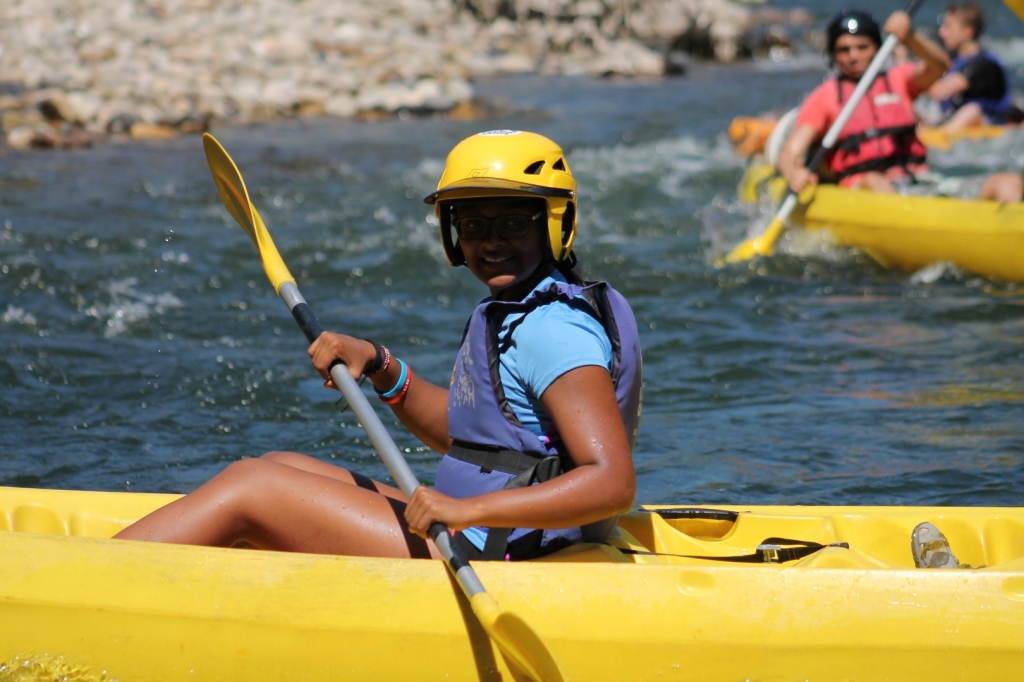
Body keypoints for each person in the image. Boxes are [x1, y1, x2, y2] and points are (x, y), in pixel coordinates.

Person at [114, 130, 644, 562]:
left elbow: (612, 483)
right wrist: (383, 367)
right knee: (278, 463)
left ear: (555, 223)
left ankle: (89, 578)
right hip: (484, 528)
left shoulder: (553, 330)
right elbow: (478, 439)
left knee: (254, 486)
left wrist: (469, 513)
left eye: (512, 221)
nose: (491, 241)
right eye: (473, 223)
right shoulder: (524, 305)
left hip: (497, 550)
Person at [778, 8, 951, 194]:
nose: (853, 56)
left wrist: (910, 37)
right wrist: (793, 173)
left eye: (862, 47)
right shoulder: (824, 97)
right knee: (875, 181)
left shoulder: (898, 80)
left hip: (918, 182)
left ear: (877, 48)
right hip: (862, 189)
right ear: (833, 55)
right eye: (844, 50)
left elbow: (940, 66)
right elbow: (789, 153)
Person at [927, 2, 1011, 132]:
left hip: (987, 129)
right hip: (952, 124)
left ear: (968, 31)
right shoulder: (955, 60)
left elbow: (939, 92)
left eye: (948, 27)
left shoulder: (985, 65)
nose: (942, 32)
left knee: (971, 111)